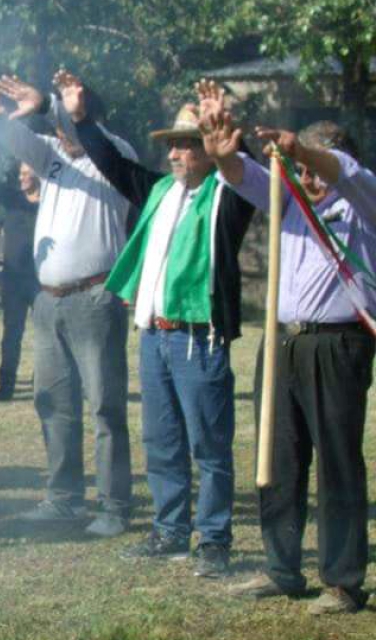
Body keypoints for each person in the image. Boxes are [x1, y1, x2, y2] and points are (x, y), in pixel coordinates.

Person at [65, 75, 257, 575]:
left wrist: (226, 126)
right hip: (154, 335)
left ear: (210, 151)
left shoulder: (228, 196)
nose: (174, 155)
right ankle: (170, 530)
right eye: (172, 146)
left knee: (209, 446)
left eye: (186, 146)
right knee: (161, 441)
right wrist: (82, 120)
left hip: (199, 339)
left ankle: (213, 540)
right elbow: (112, 164)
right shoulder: (159, 192)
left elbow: (248, 170)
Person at [211, 115, 376, 614]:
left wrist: (301, 151)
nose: (307, 179)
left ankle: (343, 581)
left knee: (337, 462)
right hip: (283, 343)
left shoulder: (363, 199)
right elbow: (243, 176)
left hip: (337, 342)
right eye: (300, 168)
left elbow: (340, 170)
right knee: (279, 458)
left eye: (313, 166)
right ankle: (282, 569)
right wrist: (221, 152)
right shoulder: (290, 198)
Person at [0, 75, 134, 537]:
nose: (58, 131)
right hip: (49, 302)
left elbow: (86, 132)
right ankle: (63, 499)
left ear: (88, 117)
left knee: (105, 406)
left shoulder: (115, 154)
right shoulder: (54, 160)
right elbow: (12, 136)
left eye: (67, 117)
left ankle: (113, 506)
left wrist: (51, 104)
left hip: (95, 296)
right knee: (53, 403)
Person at [0, 161, 41, 402]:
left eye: (26, 173)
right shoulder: (13, 200)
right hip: (13, 280)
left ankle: (42, 384)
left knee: (46, 336)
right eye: (20, 174)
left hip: (42, 281)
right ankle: (5, 387)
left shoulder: (52, 203)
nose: (22, 178)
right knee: (11, 335)